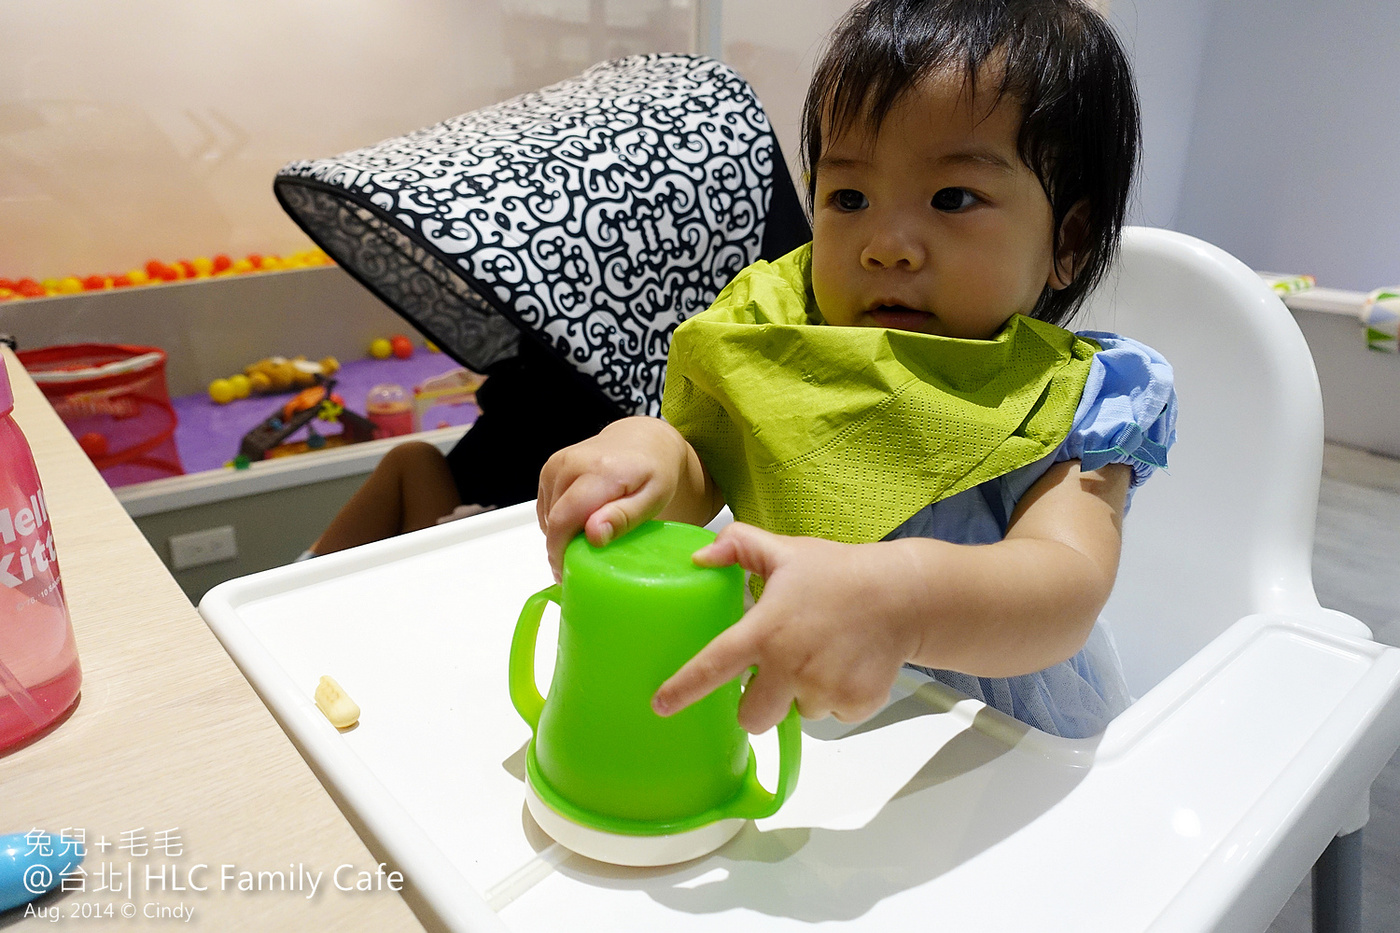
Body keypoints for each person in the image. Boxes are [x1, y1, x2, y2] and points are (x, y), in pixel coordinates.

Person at [535, 0, 1176, 740]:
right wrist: (648, 453)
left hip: (982, 740)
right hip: (787, 705)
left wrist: (904, 599)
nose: (886, 244)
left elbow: (1066, 585)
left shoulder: (1073, 395)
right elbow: (703, 476)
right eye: (849, 197)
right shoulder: (787, 334)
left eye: (953, 198)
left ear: (1069, 237)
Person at [305, 341, 622, 557]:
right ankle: (304, 571)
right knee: (412, 457)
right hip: (500, 464)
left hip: (502, 522)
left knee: (415, 458)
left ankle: (304, 573)